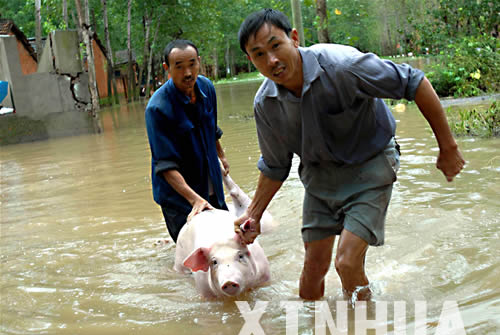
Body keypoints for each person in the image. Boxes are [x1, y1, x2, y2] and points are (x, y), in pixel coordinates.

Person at [234, 9, 465, 301]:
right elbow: (275, 165)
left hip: (371, 164)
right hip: (319, 177)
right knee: (312, 275)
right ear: (250, 60)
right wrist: (253, 214)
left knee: (346, 262)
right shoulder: (266, 104)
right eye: (259, 54)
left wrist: (448, 147)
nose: (272, 60)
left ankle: (364, 334)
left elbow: (414, 82)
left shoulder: (343, 65)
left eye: (275, 45)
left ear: (294, 38)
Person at [145, 39, 229, 242]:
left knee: (227, 246)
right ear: (167, 69)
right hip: (179, 198)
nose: (188, 73)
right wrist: (195, 201)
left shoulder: (207, 89)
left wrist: (222, 156)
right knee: (195, 260)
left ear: (199, 62)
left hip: (210, 186)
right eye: (179, 67)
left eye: (192, 64)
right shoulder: (157, 109)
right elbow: (165, 166)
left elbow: (211, 128)